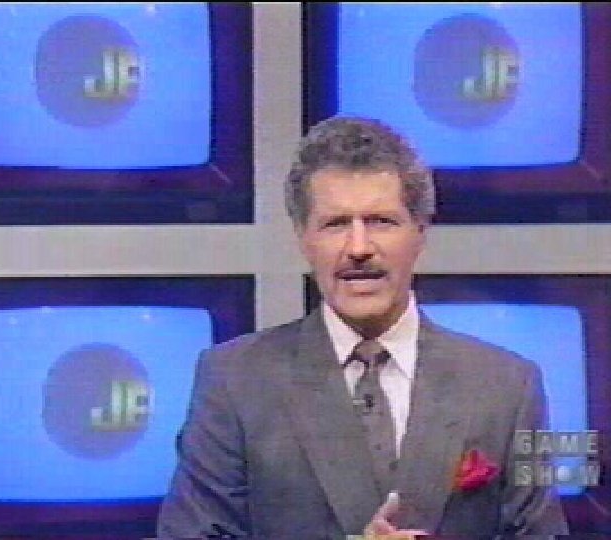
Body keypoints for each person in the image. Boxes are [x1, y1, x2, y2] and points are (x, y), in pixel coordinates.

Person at [156, 117, 568, 538]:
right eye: (336, 224)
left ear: (420, 232)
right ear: (303, 238)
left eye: (380, 221)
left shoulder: (508, 386)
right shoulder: (234, 381)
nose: (358, 248)